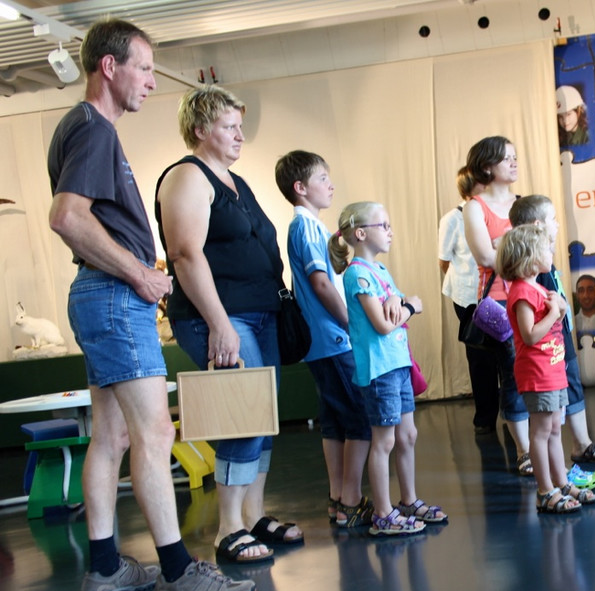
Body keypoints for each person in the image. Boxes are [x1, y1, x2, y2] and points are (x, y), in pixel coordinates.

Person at [47, 18, 253, 591]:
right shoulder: (93, 128)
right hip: (114, 294)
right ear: (109, 67)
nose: (151, 81)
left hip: (100, 293)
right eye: (142, 68)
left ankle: (106, 568)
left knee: (112, 435)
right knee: (156, 432)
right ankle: (178, 572)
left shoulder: (84, 128)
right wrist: (138, 273)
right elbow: (67, 216)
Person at [156, 84, 304, 562]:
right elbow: (184, 254)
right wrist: (219, 324)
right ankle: (228, 528)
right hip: (222, 316)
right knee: (242, 415)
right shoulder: (187, 176)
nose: (240, 135)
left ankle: (253, 517)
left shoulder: (234, 181)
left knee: (262, 416)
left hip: (262, 313)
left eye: (240, 127)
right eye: (230, 127)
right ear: (201, 129)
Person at [275, 150, 373, 528]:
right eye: (322, 179)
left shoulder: (308, 227)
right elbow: (320, 283)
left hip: (322, 341)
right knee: (359, 418)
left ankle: (337, 498)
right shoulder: (306, 228)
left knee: (334, 421)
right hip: (332, 339)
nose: (330, 185)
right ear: (300, 188)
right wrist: (351, 323)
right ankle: (350, 500)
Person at [339, 201, 448, 535]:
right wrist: (406, 306)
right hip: (380, 370)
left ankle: (408, 500)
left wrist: (399, 303)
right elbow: (385, 324)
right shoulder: (357, 274)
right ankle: (383, 513)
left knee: (407, 435)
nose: (390, 232)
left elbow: (406, 303)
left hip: (398, 364)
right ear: (360, 234)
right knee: (384, 441)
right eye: (383, 226)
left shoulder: (381, 271)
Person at [509, 195, 595, 469]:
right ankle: (544, 464)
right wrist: (555, 314)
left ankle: (581, 445)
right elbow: (534, 326)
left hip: (559, 338)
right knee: (546, 417)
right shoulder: (533, 269)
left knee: (571, 384)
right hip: (544, 349)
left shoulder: (544, 260)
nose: (558, 225)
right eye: (553, 219)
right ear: (538, 224)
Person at [495, 223, 595, 513]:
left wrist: (560, 309)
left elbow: (553, 320)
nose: (551, 251)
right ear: (529, 257)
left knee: (554, 429)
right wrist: (554, 312)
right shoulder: (522, 293)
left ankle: (561, 483)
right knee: (540, 433)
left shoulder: (538, 288)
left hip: (552, 370)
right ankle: (545, 491)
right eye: (545, 248)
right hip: (537, 373)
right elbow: (529, 335)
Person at [462, 136, 532, 475]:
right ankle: (525, 451)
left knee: (539, 374)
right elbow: (485, 257)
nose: (514, 163)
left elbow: (540, 250)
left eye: (515, 157)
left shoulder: (523, 204)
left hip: (532, 296)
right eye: (507, 158)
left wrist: (502, 242)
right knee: (513, 375)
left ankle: (540, 446)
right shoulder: (475, 207)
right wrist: (517, 246)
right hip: (501, 303)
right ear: (487, 165)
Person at [438, 168, 500, 435]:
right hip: (469, 298)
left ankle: (515, 414)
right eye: (483, 182)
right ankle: (485, 418)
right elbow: (444, 261)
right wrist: (468, 286)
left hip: (500, 293)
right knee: (480, 358)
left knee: (507, 354)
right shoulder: (453, 218)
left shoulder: (497, 212)